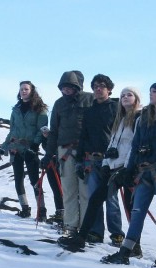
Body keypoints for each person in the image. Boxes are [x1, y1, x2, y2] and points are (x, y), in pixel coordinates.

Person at [102, 82, 156, 268]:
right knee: (137, 211)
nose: (151, 94)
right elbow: (135, 147)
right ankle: (125, 251)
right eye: (150, 91)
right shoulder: (144, 118)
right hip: (143, 173)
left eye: (155, 92)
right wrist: (129, 169)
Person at [58, 86, 141, 253]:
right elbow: (113, 143)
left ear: (136, 98)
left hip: (129, 169)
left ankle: (134, 246)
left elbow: (136, 145)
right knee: (96, 199)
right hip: (113, 167)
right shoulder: (121, 118)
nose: (125, 97)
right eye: (123, 95)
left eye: (129, 95)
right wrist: (106, 163)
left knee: (131, 205)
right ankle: (81, 238)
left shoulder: (140, 118)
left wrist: (128, 166)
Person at [43, 71, 94, 236]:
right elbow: (54, 132)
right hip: (64, 151)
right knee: (69, 191)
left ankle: (86, 228)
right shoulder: (59, 104)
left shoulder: (89, 99)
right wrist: (48, 154)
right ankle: (71, 225)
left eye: (70, 87)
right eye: (63, 87)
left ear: (76, 86)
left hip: (86, 152)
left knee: (85, 192)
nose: (66, 90)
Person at [75, 74, 118, 243]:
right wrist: (79, 160)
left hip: (111, 161)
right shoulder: (89, 112)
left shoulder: (116, 108)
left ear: (109, 89)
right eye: (95, 87)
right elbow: (83, 136)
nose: (98, 89)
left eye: (102, 86)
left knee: (111, 198)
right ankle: (96, 232)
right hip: (91, 160)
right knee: (94, 198)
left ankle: (116, 233)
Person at [0, 81, 48, 219]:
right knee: (18, 179)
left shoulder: (39, 109)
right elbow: (12, 131)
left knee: (34, 180)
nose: (23, 91)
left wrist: (35, 144)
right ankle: (25, 208)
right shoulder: (16, 110)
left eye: (26, 89)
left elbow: (41, 129)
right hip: (15, 149)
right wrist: (2, 149)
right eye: (21, 89)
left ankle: (41, 211)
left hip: (30, 149)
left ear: (32, 91)